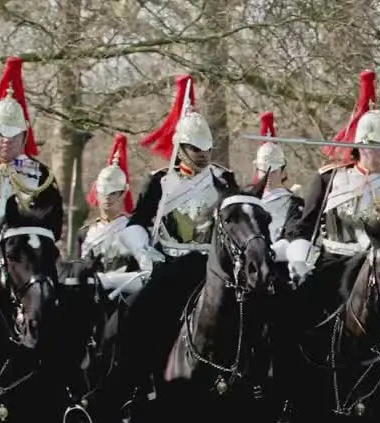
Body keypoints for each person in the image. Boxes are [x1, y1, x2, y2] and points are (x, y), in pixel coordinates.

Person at [281, 72, 380, 280]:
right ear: (363, 147)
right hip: (332, 269)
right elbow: (304, 227)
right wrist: (298, 258)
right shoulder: (328, 178)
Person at [132, 75, 240, 257]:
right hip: (169, 261)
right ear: (179, 149)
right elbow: (137, 222)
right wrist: (142, 252)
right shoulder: (160, 181)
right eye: (195, 149)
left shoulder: (224, 178)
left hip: (213, 262)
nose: (203, 155)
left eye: (207, 149)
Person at [0, 56, 63, 245]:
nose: (7, 140)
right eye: (1, 133)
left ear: (24, 135)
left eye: (14, 134)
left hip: (20, 256)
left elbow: (53, 226)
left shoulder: (41, 175)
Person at [78, 133, 162, 299]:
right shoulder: (84, 233)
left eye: (114, 193)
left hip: (126, 303)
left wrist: (108, 281)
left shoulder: (135, 228)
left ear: (124, 193)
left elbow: (147, 275)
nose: (108, 198)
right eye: (103, 193)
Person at [250, 111, 303, 248]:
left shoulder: (294, 204)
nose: (268, 176)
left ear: (282, 171)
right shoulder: (247, 201)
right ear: (257, 170)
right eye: (263, 171)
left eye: (273, 171)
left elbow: (294, 236)